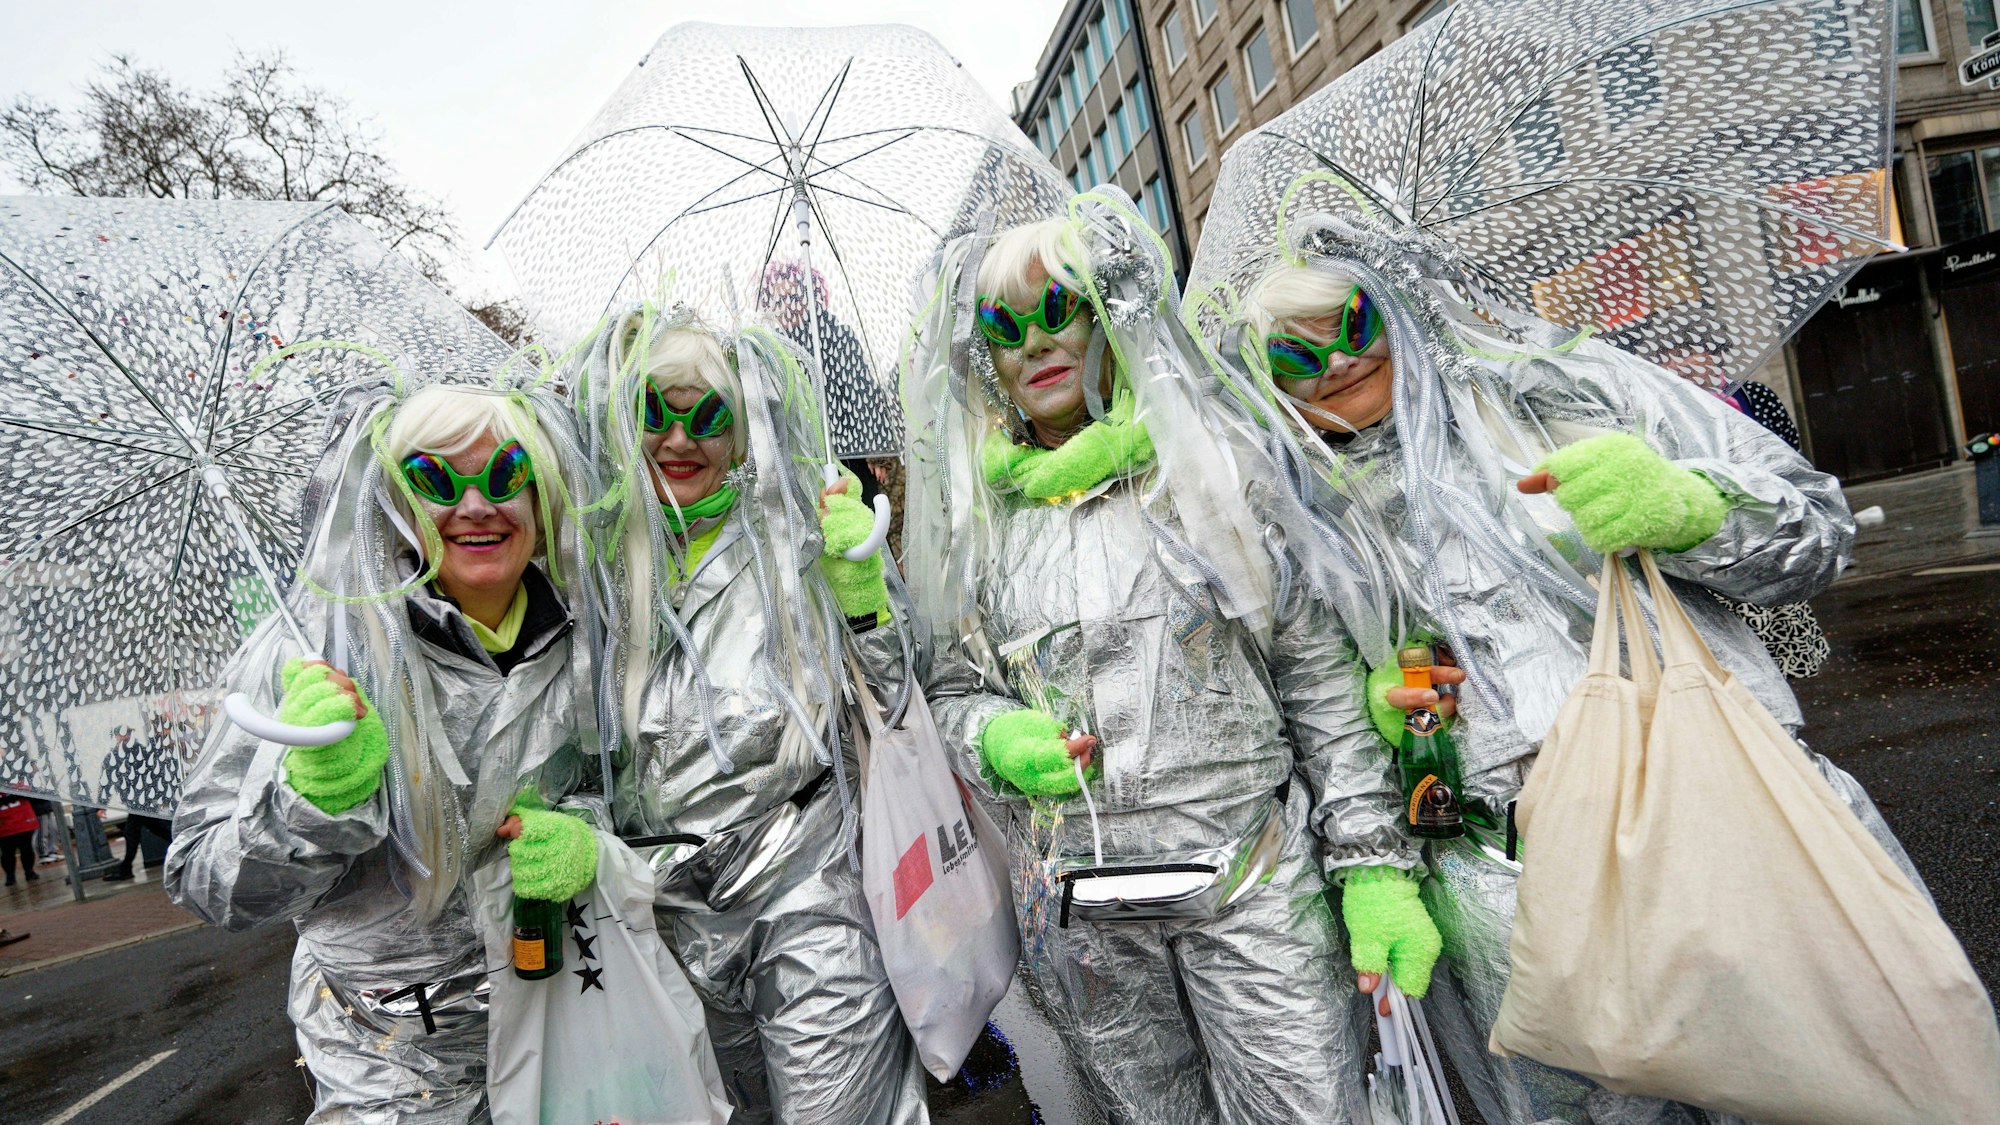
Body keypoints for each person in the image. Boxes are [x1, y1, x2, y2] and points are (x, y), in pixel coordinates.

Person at [1227, 213, 1926, 1124]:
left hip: (1728, 832)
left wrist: (1687, 508)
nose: (1337, 365)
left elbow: (1816, 531)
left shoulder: (1566, 387)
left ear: (1396, 302)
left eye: (1355, 324)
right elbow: (1324, 720)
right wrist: (1383, 799)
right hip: (1513, 886)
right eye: (1294, 356)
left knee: (1840, 1095)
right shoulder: (1313, 518)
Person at [900, 194, 1382, 1124]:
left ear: (1104, 317)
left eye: (1060, 307)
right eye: (1008, 323)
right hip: (1083, 922)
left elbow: (1316, 671)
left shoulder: (1208, 468)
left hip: (1253, 887)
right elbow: (952, 689)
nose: (1038, 342)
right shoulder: (978, 531)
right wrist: (995, 736)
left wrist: (1370, 866)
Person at [167, 378, 603, 1123]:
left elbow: (620, 789)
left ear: (542, 496)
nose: (474, 506)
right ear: (396, 503)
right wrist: (311, 803)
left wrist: (587, 835)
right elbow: (208, 880)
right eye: (434, 479)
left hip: (558, 1022)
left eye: (504, 476)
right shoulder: (309, 652)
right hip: (386, 1057)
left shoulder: (588, 640)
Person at [571, 305, 925, 1124]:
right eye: (654, 413)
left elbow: (906, 692)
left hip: (808, 893)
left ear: (742, 431)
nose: (679, 439)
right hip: (666, 920)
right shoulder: (592, 568)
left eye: (707, 416)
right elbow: (567, 759)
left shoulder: (797, 534)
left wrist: (865, 597)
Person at [0, 792, 39, 887]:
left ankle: (29, 871)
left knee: (26, 848)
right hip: (4, 823)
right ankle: (10, 875)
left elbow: (29, 793)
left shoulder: (16, 779)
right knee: (7, 852)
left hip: (23, 820)